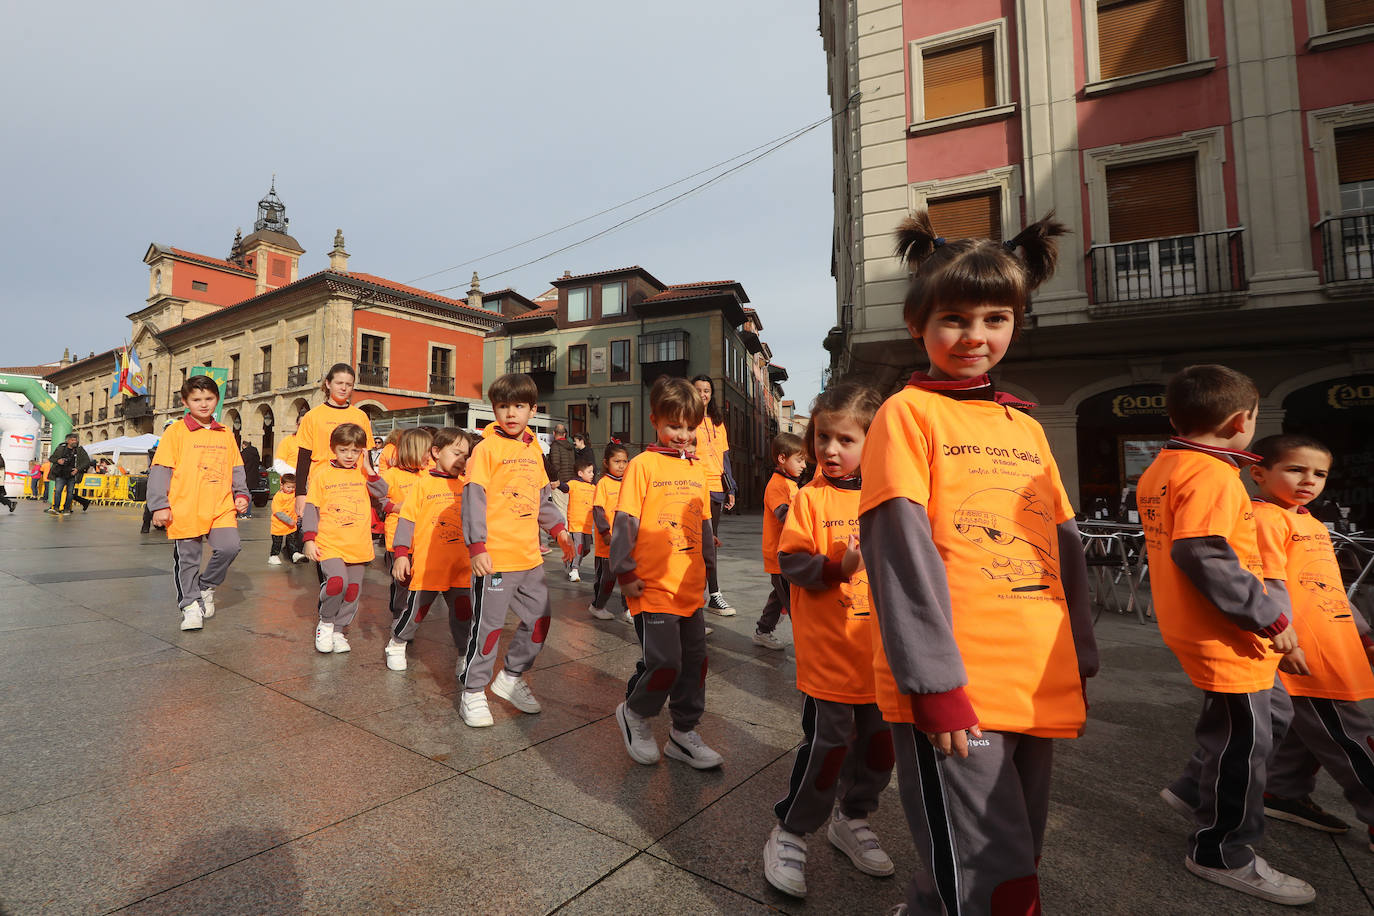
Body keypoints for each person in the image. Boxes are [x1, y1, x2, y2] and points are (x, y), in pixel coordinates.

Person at [859, 211, 1098, 914]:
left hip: (1035, 677)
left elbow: (1062, 541)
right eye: (955, 320)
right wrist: (933, 684)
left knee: (1006, 853)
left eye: (996, 318)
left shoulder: (1025, 424)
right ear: (917, 324)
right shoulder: (906, 414)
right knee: (998, 878)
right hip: (959, 685)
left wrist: (1078, 650)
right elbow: (899, 550)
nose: (975, 337)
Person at [1141, 365, 1313, 905]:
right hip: (1227, 633)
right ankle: (1222, 848)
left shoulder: (1164, 466)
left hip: (1210, 627)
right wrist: (1271, 617)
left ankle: (1197, 789)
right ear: (1243, 420)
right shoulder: (1212, 474)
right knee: (1245, 744)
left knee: (1271, 716)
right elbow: (1204, 553)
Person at [764, 382, 893, 898]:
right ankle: (790, 831)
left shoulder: (888, 497)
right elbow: (793, 562)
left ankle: (853, 816)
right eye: (823, 438)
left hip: (881, 658)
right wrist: (839, 566)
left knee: (879, 750)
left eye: (846, 439)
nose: (831, 450)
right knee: (829, 746)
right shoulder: (808, 498)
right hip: (829, 656)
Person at [1248, 435, 1374, 848]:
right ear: (1259, 473)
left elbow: (1328, 586)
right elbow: (1266, 586)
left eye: (1319, 473)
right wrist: (1284, 642)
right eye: (1295, 469)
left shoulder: (1309, 520)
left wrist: (1361, 630)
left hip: (1333, 642)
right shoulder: (1264, 519)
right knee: (1352, 735)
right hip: (1306, 650)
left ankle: (1282, 790)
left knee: (1314, 727)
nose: (1309, 480)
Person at [612, 376, 722, 770]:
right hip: (652, 586)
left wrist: (710, 574)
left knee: (695, 663)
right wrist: (624, 572)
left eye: (690, 428)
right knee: (666, 662)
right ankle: (635, 713)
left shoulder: (698, 469)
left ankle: (683, 732)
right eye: (674, 425)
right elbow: (625, 521)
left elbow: (704, 522)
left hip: (689, 587)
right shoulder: (641, 465)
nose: (683, 435)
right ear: (655, 420)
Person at [460, 374, 575, 727]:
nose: (511, 413)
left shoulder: (533, 451)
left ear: (532, 410)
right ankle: (473, 691)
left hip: (529, 558)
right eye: (503, 406)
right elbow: (473, 500)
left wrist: (559, 530)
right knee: (489, 628)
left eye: (519, 406)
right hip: (494, 559)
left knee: (539, 620)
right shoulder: (485, 449)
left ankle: (510, 677)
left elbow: (541, 500)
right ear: (494, 409)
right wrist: (477, 546)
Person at [147, 375, 249, 631]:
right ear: (185, 402)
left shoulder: (226, 433)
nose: (203, 404)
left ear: (217, 400)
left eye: (209, 399)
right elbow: (160, 469)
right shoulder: (176, 432)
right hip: (185, 506)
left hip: (221, 505)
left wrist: (241, 493)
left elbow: (236, 467)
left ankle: (205, 586)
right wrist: (159, 504)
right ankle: (190, 605)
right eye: (196, 399)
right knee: (188, 560)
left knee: (230, 547)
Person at [387, 428, 474, 674]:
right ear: (436, 452)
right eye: (456, 453)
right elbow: (407, 521)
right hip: (428, 567)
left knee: (463, 613)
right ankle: (397, 643)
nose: (461, 460)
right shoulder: (422, 485)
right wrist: (402, 554)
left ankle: (463, 654)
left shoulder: (466, 486)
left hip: (461, 567)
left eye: (465, 456)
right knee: (416, 611)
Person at [301, 423, 393, 655]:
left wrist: (368, 468)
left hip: (358, 543)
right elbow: (312, 508)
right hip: (329, 542)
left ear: (362, 451)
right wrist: (309, 539)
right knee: (336, 582)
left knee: (352, 590)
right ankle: (326, 623)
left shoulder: (363, 473)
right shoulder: (322, 474)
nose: (349, 456)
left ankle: (339, 630)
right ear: (333, 449)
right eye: (344, 450)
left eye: (355, 451)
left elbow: (382, 492)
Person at [294, 363, 374, 516]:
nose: (344, 388)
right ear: (328, 383)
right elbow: (303, 458)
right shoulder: (312, 416)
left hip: (353, 486)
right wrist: (300, 494)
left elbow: (366, 456)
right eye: (339, 383)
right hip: (321, 487)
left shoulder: (361, 416)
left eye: (348, 384)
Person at [754, 432, 806, 650]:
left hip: (788, 553)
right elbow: (784, 515)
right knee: (795, 603)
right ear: (782, 459)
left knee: (780, 595)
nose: (804, 465)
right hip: (780, 554)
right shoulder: (778, 485)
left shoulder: (791, 483)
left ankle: (763, 630)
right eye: (799, 459)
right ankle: (808, 644)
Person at [691, 375, 737, 616]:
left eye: (707, 390)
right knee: (696, 544)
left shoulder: (718, 422)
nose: (703, 394)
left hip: (716, 488)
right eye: (698, 390)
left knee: (711, 543)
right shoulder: (687, 420)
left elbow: (724, 458)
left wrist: (730, 488)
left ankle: (713, 595)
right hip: (694, 487)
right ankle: (702, 594)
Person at [380, 428, 435, 629]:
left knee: (416, 579)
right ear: (411, 451)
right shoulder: (392, 475)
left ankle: (408, 614)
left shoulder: (427, 474)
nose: (429, 457)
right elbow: (377, 499)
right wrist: (394, 507)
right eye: (426, 452)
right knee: (402, 580)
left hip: (422, 539)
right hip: (397, 538)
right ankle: (398, 614)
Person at [588, 441, 631, 622]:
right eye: (617, 461)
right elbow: (598, 510)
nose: (621, 466)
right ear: (607, 462)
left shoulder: (628, 483)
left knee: (628, 577)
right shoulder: (603, 484)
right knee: (607, 579)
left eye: (624, 461)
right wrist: (605, 533)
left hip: (626, 541)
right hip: (608, 544)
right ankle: (597, 606)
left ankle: (628, 609)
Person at [564, 458, 596, 582]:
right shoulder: (574, 483)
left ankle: (570, 557)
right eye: (589, 472)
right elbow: (565, 487)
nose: (592, 474)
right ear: (580, 473)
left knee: (586, 549)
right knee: (579, 546)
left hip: (588, 525)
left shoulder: (593, 487)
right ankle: (574, 570)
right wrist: (557, 484)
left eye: (592, 472)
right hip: (576, 524)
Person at [48, 432, 91, 514]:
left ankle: (66, 509)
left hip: (72, 475)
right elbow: (52, 458)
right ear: (68, 441)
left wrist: (77, 469)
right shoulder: (61, 448)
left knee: (70, 493)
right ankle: (56, 508)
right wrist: (58, 460)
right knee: (57, 491)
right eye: (72, 440)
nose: (75, 441)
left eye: (76, 440)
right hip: (60, 474)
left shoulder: (80, 450)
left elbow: (87, 462)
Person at [267, 474, 305, 565]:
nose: (291, 489)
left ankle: (294, 554)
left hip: (291, 524)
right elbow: (277, 512)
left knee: (292, 541)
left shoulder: (294, 494)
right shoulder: (278, 496)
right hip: (279, 524)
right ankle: (273, 555)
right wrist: (288, 520)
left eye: (293, 487)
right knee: (277, 542)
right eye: (288, 487)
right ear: (282, 485)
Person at [547, 422, 576, 531]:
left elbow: (555, 465)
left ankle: (563, 535)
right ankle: (568, 532)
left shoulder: (555, 446)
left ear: (554, 433)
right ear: (564, 434)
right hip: (570, 481)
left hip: (559, 482)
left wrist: (553, 480)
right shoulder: (571, 447)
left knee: (560, 509)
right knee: (567, 508)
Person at [238, 439, 261, 518]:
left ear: (244, 445)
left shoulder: (244, 454)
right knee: (249, 495)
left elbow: (240, 465)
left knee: (243, 494)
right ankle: (248, 513)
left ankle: (244, 513)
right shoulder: (255, 453)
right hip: (253, 477)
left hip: (245, 476)